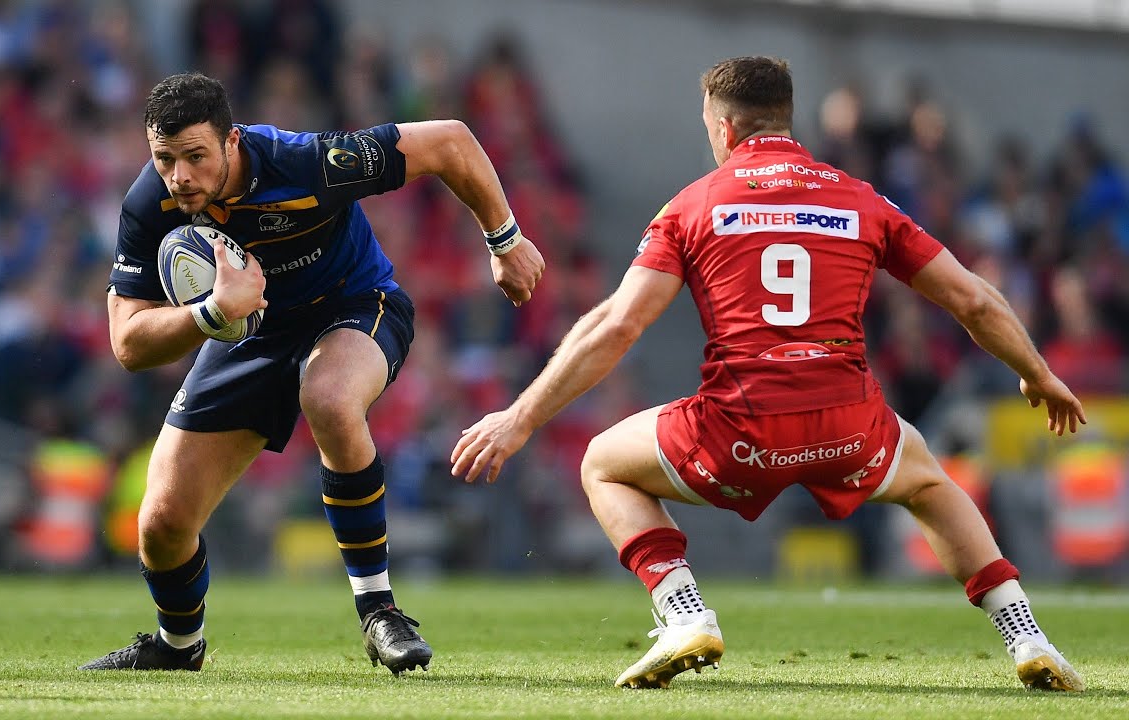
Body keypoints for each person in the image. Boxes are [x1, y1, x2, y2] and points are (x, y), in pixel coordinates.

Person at [451, 56, 1086, 692]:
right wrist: (1037, 372)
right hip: (849, 429)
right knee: (929, 483)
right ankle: (1027, 635)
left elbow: (619, 325)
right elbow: (972, 299)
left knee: (601, 463)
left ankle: (684, 614)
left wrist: (520, 416)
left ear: (725, 130)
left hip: (739, 433)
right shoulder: (863, 200)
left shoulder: (693, 205)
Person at [83, 72, 544, 674]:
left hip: (354, 305)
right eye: (164, 159)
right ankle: (177, 648)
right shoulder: (150, 205)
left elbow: (450, 141)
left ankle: (380, 612)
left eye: (195, 156)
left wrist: (504, 241)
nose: (180, 177)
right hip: (248, 332)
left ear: (232, 142)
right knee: (163, 524)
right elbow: (127, 342)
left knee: (328, 397)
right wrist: (212, 312)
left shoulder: (307, 162)